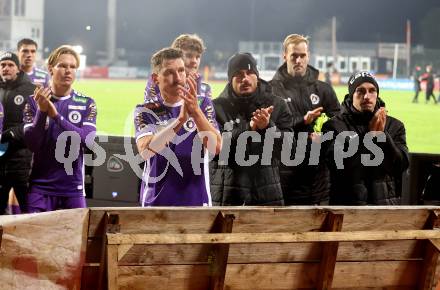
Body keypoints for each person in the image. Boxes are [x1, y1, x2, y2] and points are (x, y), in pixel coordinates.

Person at [134, 47, 221, 206]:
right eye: (169, 72)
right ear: (155, 78)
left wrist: (195, 112)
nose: (178, 78)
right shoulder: (146, 110)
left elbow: (215, 147)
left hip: (196, 201)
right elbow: (145, 151)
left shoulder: (202, 104)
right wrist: (180, 120)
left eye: (181, 71)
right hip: (156, 202)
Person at [210, 53, 293, 205]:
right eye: (239, 75)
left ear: (257, 75)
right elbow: (215, 150)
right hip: (227, 196)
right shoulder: (215, 108)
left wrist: (267, 127)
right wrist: (249, 128)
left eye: (250, 73)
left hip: (266, 196)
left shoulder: (277, 105)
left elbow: (288, 149)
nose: (245, 79)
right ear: (230, 79)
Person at [23, 45, 97, 212]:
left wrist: (56, 116)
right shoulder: (33, 102)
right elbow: (32, 144)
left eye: (72, 67)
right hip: (40, 188)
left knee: (73, 239)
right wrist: (42, 112)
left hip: (73, 189)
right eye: (62, 66)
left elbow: (88, 141)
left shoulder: (87, 103)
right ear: (50, 69)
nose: (68, 71)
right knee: (35, 238)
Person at [270, 34, 340, 205]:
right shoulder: (271, 90)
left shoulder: (323, 89)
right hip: (284, 173)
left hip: (317, 175)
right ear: (285, 56)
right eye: (294, 56)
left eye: (302, 56)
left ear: (308, 56)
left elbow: (340, 123)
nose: (298, 60)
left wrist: (325, 137)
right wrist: (302, 121)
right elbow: (271, 128)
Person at [322, 71, 409, 205]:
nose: (367, 96)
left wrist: (382, 136)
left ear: (377, 94)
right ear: (352, 95)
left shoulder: (395, 126)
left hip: (385, 207)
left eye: (372, 91)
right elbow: (339, 168)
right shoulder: (333, 126)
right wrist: (368, 137)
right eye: (360, 91)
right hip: (349, 208)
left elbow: (400, 165)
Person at [0, 52, 35, 214]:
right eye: (2, 65)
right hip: (0, 159)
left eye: (10, 65)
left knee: (28, 208)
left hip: (22, 158)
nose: (6, 68)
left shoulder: (31, 89)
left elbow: (34, 122)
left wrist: (9, 134)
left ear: (18, 68)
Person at [144, 34, 211, 103]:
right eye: (189, 55)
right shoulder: (157, 83)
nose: (194, 61)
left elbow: (205, 113)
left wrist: (197, 92)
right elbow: (152, 111)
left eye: (198, 57)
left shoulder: (205, 88)